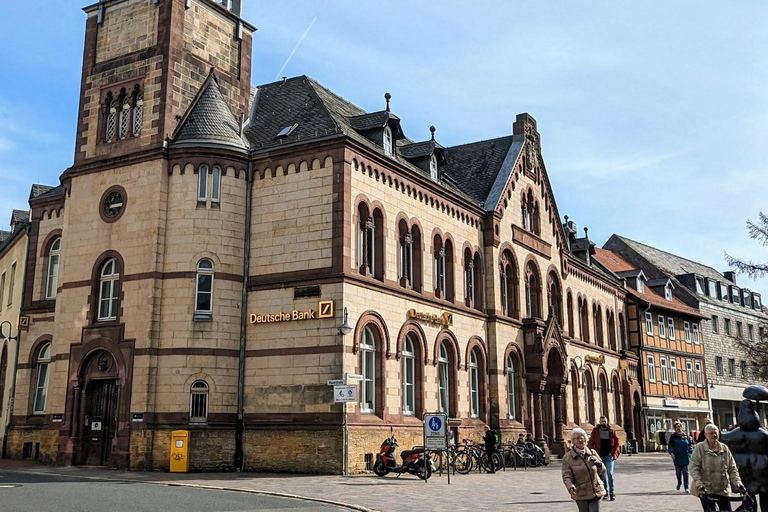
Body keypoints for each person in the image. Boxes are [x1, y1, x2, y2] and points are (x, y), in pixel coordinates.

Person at [690, 423, 746, 511]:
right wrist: (698, 482)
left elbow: (732, 468)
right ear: (705, 435)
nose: (714, 435)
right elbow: (694, 467)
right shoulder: (699, 448)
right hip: (706, 489)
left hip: (722, 489)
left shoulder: (724, 448)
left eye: (716, 433)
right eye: (711, 433)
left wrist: (738, 482)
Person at [562, 427, 606, 511]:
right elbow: (566, 476)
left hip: (595, 490)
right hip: (580, 492)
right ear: (573, 440)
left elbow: (603, 470)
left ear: (585, 439)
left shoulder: (592, 453)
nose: (580, 440)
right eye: (577, 438)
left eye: (582, 438)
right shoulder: (567, 458)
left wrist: (599, 463)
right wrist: (570, 486)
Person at [588, 416, 619, 501]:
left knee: (610, 474)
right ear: (599, 422)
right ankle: (605, 492)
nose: (603, 423)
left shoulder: (611, 431)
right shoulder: (596, 431)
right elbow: (591, 441)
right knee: (603, 475)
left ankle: (612, 493)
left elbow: (617, 441)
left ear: (607, 422)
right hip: (600, 456)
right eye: (602, 421)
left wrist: (613, 452)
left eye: (604, 421)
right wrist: (592, 451)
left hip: (609, 456)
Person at [668, 421, 692, 493]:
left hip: (685, 456)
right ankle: (679, 483)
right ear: (675, 428)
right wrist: (671, 453)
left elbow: (690, 446)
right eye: (677, 427)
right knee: (678, 472)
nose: (679, 428)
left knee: (685, 472)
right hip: (677, 456)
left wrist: (690, 453)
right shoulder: (673, 436)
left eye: (680, 427)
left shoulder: (686, 436)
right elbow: (670, 446)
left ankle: (686, 487)